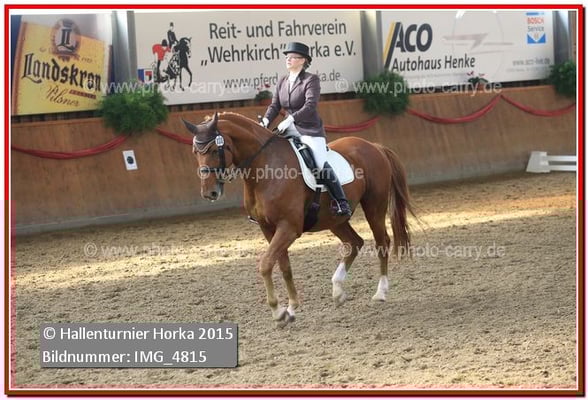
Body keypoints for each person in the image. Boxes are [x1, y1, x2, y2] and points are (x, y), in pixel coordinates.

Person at [260, 42, 352, 217]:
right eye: (287, 57)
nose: (288, 59)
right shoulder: (282, 81)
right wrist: (265, 121)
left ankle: (341, 201)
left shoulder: (311, 80)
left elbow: (310, 105)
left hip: (309, 130)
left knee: (319, 163)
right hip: (287, 129)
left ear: (302, 60)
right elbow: (275, 105)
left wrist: (290, 119)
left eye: (292, 57)